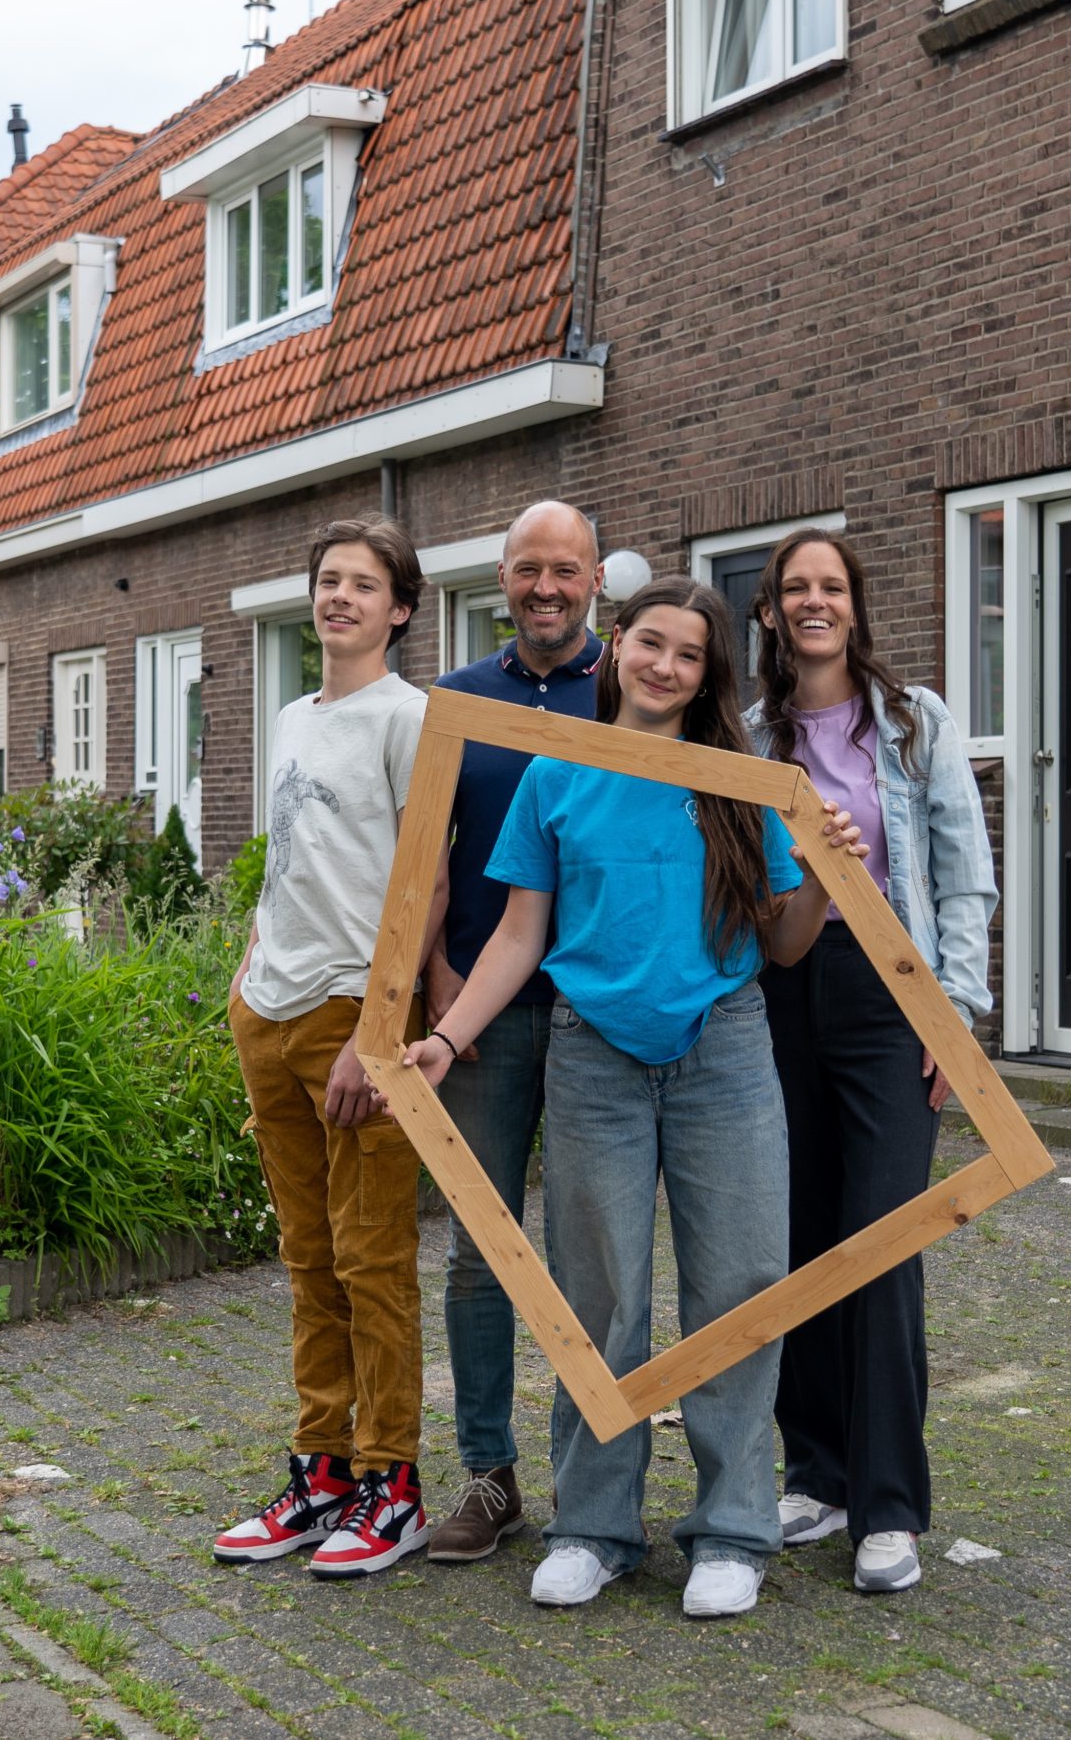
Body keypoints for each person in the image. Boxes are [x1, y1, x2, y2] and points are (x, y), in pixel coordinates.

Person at [398, 576, 864, 1621]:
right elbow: (519, 934)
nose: (664, 665)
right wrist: (444, 1035)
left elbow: (786, 944)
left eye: (687, 654)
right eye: (649, 644)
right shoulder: (558, 769)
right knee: (595, 1294)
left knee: (738, 1286)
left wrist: (828, 875)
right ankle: (593, 1528)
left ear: (708, 675)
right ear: (616, 649)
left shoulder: (739, 778)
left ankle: (732, 1530)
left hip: (726, 1050)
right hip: (592, 1053)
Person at [742, 525, 999, 1595]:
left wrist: (962, 1014)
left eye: (831, 586)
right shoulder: (749, 734)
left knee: (884, 1237)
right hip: (780, 991)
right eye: (796, 587)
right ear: (769, 610)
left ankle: (888, 1505)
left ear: (855, 604)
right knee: (800, 1233)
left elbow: (961, 869)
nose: (814, 601)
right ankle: (818, 1471)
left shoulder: (913, 718)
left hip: (895, 990)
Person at [216, 515, 440, 1579]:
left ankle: (392, 1485)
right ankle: (322, 1471)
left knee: (373, 1263)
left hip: (357, 1017)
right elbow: (290, 856)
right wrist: (249, 968)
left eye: (362, 583)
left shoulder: (411, 717)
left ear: (399, 608)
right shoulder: (292, 716)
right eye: (326, 580)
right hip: (269, 1008)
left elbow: (422, 884)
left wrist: (377, 1027)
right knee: (309, 1261)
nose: (338, 596)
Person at [419, 501, 605, 1563]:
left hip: (592, 1012)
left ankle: (592, 1479)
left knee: (591, 1251)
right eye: (528, 569)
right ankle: (489, 1477)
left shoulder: (627, 691)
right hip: (480, 1015)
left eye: (565, 569)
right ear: (502, 576)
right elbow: (428, 848)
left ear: (593, 582)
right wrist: (441, 972)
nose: (546, 587)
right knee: (480, 1254)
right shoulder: (456, 698)